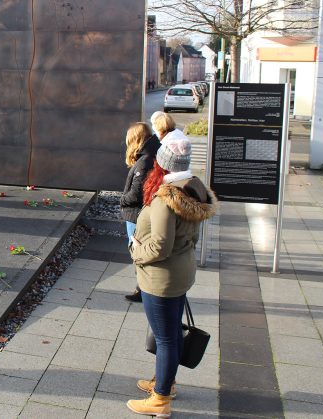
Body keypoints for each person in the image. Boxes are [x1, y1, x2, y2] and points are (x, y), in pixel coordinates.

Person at [126, 137, 217, 417]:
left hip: (161, 279)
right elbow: (191, 238)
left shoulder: (167, 198)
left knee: (166, 338)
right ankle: (166, 382)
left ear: (162, 164)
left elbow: (161, 245)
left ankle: (161, 399)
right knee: (172, 333)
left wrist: (136, 252)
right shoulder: (193, 189)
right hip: (181, 273)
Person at [122, 113, 165, 303]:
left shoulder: (144, 160)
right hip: (143, 212)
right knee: (142, 250)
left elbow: (136, 193)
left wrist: (122, 200)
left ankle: (143, 290)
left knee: (138, 251)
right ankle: (143, 288)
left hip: (136, 214)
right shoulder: (155, 153)